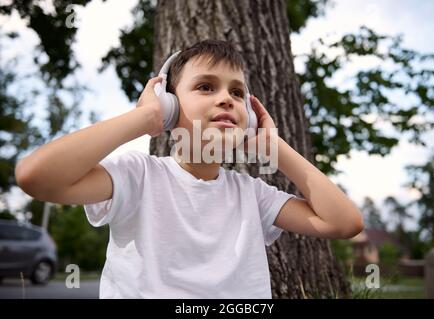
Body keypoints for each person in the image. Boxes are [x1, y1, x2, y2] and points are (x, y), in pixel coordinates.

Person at [15, 39, 364, 299]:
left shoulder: (251, 194)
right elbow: (36, 176)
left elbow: (344, 223)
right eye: (205, 87)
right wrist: (144, 118)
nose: (226, 98)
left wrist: (274, 146)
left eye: (237, 92)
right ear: (168, 104)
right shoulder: (138, 176)